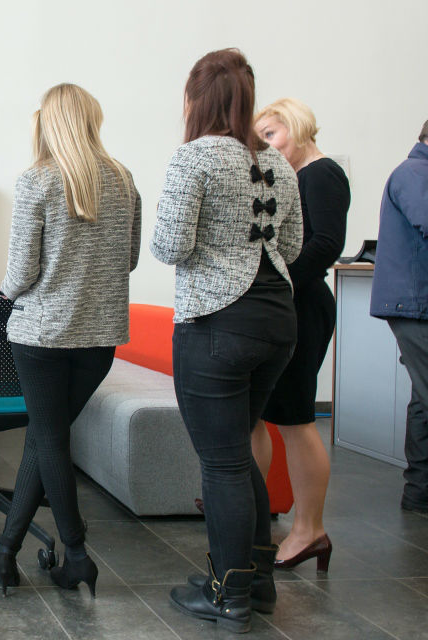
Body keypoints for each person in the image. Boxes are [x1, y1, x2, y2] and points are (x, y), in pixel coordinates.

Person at [151, 49, 302, 633]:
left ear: (198, 99)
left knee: (221, 464)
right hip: (276, 319)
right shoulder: (279, 164)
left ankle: (227, 594)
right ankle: (255, 580)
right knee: (237, 454)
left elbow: (169, 246)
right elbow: (290, 246)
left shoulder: (195, 157)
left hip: (217, 322)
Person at [0, 83, 141, 598]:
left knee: (50, 436)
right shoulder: (124, 181)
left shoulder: (37, 180)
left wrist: (3, 293)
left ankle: (77, 554)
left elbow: (19, 274)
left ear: (48, 122)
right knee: (46, 436)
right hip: (100, 339)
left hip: (43, 335)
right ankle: (7, 550)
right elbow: (129, 261)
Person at [249, 98, 349, 571]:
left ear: (296, 126)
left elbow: (328, 243)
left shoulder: (321, 173)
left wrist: (280, 281)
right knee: (265, 415)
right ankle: (252, 515)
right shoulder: (291, 177)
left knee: (295, 419)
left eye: (271, 135)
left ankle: (310, 529)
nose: (266, 146)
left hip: (303, 307)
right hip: (287, 304)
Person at [370, 120, 428, 515]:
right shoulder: (414, 172)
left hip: (415, 303)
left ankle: (419, 493)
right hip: (415, 304)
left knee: (422, 398)